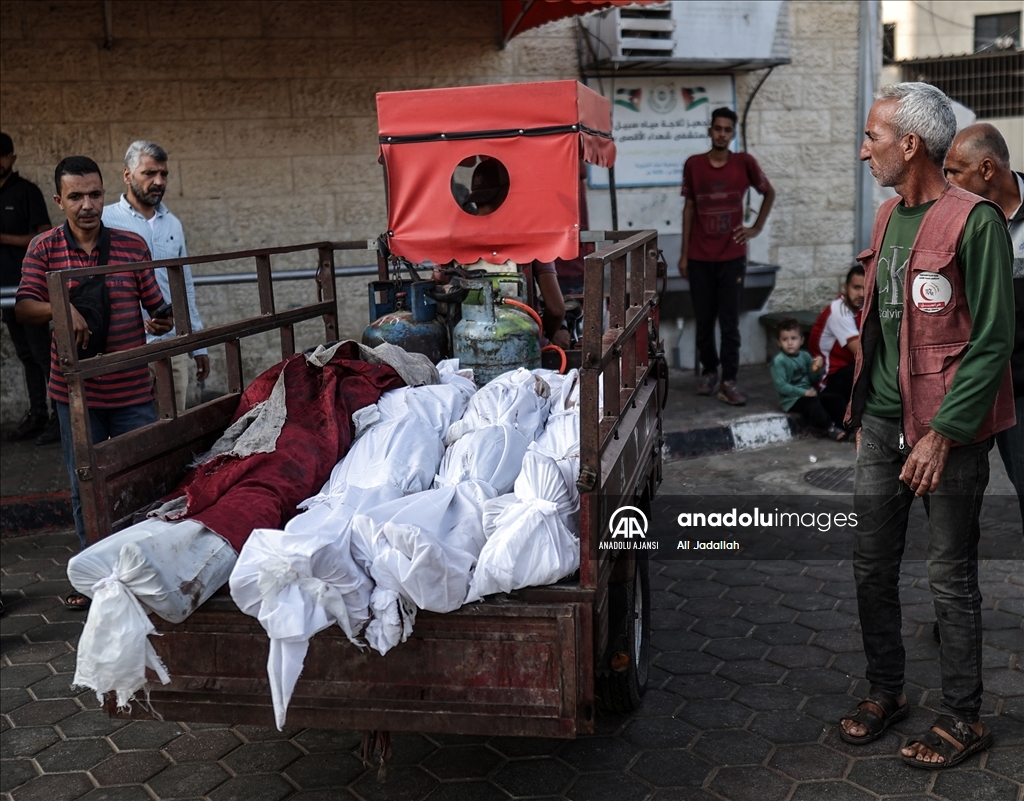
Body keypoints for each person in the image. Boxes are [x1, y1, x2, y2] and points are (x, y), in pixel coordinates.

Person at [841, 83, 1014, 770]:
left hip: (951, 435)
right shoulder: (887, 218)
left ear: (909, 144)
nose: (864, 149)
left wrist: (941, 434)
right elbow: (884, 325)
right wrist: (864, 413)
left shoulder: (976, 222)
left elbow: (995, 340)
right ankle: (887, 691)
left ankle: (964, 715)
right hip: (884, 426)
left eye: (872, 137)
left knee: (951, 578)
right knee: (871, 568)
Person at [14, 156, 173, 609]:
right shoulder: (43, 249)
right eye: (77, 197)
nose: (88, 205)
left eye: (95, 195)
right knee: (87, 485)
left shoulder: (131, 245)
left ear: (105, 193)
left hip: (131, 390)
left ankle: (141, 574)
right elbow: (25, 306)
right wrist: (63, 309)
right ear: (59, 199)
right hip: (75, 395)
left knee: (141, 481)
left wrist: (162, 320)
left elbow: (155, 303)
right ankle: (95, 578)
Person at [943, 123, 1024, 526]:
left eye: (955, 172)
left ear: (987, 169)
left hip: (1020, 387)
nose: (948, 182)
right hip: (969, 384)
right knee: (953, 505)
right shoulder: (957, 219)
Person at [102, 141, 209, 414]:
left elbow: (184, 284)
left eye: (163, 174)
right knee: (131, 433)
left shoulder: (172, 224)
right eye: (149, 174)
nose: (158, 181)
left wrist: (197, 345)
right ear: (127, 175)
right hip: (125, 350)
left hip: (171, 346)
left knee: (173, 429)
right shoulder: (105, 221)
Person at [678, 106, 775, 406]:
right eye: (717, 128)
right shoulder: (694, 165)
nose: (721, 134)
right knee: (704, 320)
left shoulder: (744, 163)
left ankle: (728, 380)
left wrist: (756, 227)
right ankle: (709, 372)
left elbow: (768, 192)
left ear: (733, 134)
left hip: (732, 256)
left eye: (727, 130)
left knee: (729, 322)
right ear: (710, 130)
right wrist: (684, 255)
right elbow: (689, 209)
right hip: (699, 256)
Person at [463, 158, 570, 349]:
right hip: (524, 347)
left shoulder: (456, 239)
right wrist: (546, 336)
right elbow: (556, 309)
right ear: (508, 194)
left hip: (467, 344)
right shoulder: (531, 238)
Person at [0, 132, 56, 444]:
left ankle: (58, 418)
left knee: (41, 353)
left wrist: (5, 239)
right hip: (4, 291)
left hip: (30, 289)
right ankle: (36, 415)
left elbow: (44, 236)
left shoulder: (26, 192)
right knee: (25, 354)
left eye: (2, 155)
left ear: (12, 158)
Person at [770, 318, 846, 441]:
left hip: (809, 393)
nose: (790, 343)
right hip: (792, 400)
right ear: (779, 342)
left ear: (801, 340)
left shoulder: (804, 356)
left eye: (793, 339)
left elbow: (812, 379)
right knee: (812, 404)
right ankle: (828, 428)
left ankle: (848, 426)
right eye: (785, 339)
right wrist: (803, 393)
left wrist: (817, 369)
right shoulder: (779, 361)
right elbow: (781, 386)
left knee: (835, 399)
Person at [808, 264, 865, 426]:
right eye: (856, 287)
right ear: (845, 287)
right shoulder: (839, 311)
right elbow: (860, 353)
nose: (861, 294)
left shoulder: (862, 307)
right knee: (870, 367)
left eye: (865, 288)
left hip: (845, 371)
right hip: (825, 380)